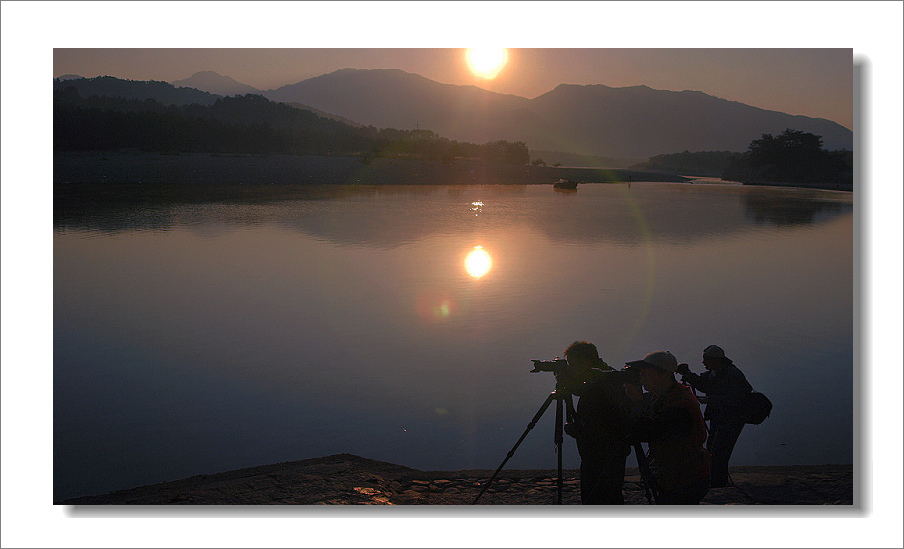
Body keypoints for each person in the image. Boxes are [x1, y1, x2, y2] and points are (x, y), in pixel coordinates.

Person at [625, 351, 710, 504]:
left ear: (664, 374)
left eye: (646, 373)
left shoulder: (679, 404)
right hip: (683, 475)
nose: (641, 377)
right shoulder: (665, 395)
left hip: (684, 478)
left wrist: (636, 402)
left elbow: (646, 432)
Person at [558, 341, 632, 504]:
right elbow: (582, 390)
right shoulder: (603, 375)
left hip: (604, 453)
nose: (571, 369)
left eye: (573, 364)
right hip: (604, 451)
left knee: (600, 497)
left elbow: (602, 420)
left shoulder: (605, 380)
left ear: (585, 362)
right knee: (606, 496)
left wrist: (577, 430)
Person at [677, 345, 753, 487]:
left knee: (720, 449)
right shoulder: (715, 372)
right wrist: (688, 374)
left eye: (706, 359)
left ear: (716, 360)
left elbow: (738, 399)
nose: (703, 362)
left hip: (733, 418)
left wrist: (711, 400)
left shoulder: (733, 374)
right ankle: (715, 479)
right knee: (712, 448)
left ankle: (718, 482)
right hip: (719, 417)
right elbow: (703, 384)